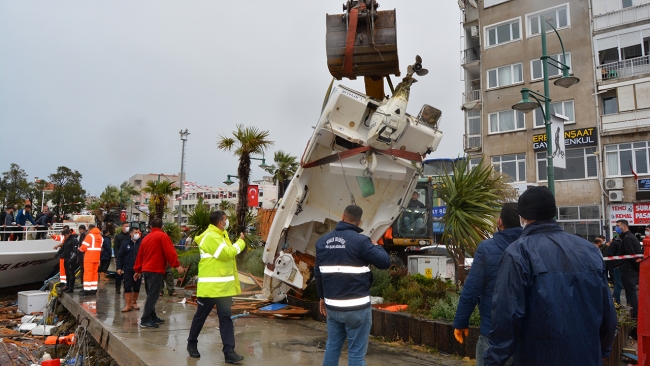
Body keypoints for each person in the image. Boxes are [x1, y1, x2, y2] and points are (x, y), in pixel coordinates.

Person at [485, 186, 617, 366]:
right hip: (586, 355)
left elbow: (506, 316)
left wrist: (493, 360)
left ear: (522, 217)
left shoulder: (518, 252)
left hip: (538, 357)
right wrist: (602, 350)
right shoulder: (589, 250)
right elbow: (607, 311)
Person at [315, 205, 391, 366]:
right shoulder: (361, 241)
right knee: (356, 355)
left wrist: (321, 297)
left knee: (332, 348)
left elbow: (318, 273)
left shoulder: (322, 242)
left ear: (343, 217)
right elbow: (385, 262)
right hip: (357, 309)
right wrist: (376, 245)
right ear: (360, 221)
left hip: (333, 307)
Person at [453, 203, 522, 366]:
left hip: (492, 333)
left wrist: (461, 323)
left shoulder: (487, 248)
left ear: (499, 222)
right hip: (524, 335)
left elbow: (471, 291)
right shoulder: (532, 247)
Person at [186, 211, 246, 363]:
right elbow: (227, 254)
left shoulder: (221, 235)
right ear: (220, 222)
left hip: (224, 289)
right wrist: (241, 242)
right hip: (210, 289)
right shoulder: (211, 237)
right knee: (200, 317)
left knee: (226, 319)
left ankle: (229, 352)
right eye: (226, 220)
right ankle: (191, 344)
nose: (227, 222)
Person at [133, 218, 185, 328]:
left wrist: (138, 270)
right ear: (162, 227)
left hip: (146, 270)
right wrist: (177, 265)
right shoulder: (163, 236)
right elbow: (170, 252)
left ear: (151, 227)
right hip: (155, 270)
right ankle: (145, 319)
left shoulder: (146, 238)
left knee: (151, 294)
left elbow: (140, 255)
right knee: (153, 295)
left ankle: (153, 316)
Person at [615, 219, 643, 318]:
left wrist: (637, 268)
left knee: (631, 294)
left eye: (618, 226)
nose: (616, 228)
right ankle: (634, 314)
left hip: (629, 270)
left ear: (624, 226)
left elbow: (631, 255)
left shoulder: (627, 238)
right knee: (630, 294)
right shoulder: (629, 237)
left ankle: (635, 316)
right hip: (630, 270)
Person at [116, 227, 142, 312]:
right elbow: (120, 256)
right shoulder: (125, 244)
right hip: (127, 268)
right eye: (135, 232)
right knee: (127, 286)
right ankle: (128, 305)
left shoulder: (141, 243)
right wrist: (119, 267)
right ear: (131, 234)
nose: (137, 233)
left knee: (137, 286)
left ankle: (134, 302)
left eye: (138, 232)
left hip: (138, 269)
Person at [77, 224, 103, 296]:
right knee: (95, 273)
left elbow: (84, 247)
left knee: (88, 273)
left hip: (89, 257)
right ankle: (93, 289)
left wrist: (79, 249)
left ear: (90, 229)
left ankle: (87, 290)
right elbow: (100, 248)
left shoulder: (90, 236)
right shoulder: (100, 237)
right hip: (97, 257)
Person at [59, 228, 79, 293]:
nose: (65, 237)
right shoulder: (66, 240)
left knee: (71, 273)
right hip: (66, 258)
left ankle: (71, 288)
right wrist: (58, 254)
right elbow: (64, 248)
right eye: (64, 236)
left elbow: (75, 251)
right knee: (67, 273)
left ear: (69, 234)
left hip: (71, 260)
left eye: (66, 235)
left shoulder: (74, 240)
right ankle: (67, 286)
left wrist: (71, 259)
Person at [114, 222, 130, 294]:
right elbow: (116, 247)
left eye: (128, 226)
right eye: (126, 226)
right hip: (120, 257)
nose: (127, 227)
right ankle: (118, 288)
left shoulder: (130, 236)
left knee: (127, 274)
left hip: (128, 258)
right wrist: (117, 257)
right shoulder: (118, 236)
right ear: (123, 227)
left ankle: (126, 288)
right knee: (118, 273)